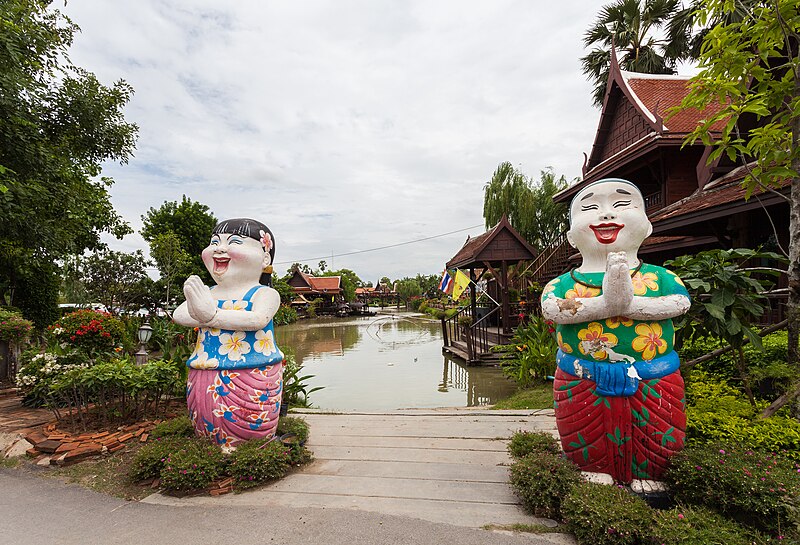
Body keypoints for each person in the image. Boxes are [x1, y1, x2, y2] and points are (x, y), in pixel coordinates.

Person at [540, 178, 690, 483]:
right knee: (584, 433)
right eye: (591, 208)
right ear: (571, 237)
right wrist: (607, 304)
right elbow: (552, 308)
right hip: (581, 376)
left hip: (653, 374)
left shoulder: (660, 276)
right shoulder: (562, 284)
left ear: (647, 227)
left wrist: (628, 305)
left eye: (622, 205)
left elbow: (679, 303)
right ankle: (592, 472)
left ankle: (651, 475)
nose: (607, 215)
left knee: (657, 430)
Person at [173, 218, 284, 448]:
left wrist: (211, 315)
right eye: (214, 242)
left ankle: (253, 452)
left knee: (250, 428)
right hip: (204, 373)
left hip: (252, 373)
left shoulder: (263, 294)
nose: (220, 248)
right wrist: (201, 308)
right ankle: (211, 451)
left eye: (235, 242)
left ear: (265, 258)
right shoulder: (209, 292)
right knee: (207, 422)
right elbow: (179, 315)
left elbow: (257, 320)